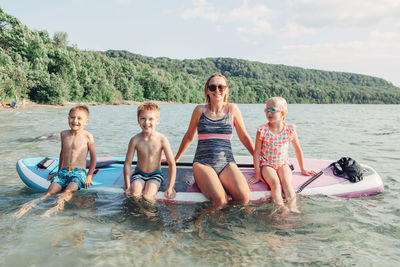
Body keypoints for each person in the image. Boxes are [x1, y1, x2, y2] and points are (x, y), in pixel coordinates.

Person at [175, 74, 254, 209]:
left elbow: (244, 137)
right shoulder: (200, 110)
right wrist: (175, 159)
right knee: (220, 200)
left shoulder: (232, 109)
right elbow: (189, 136)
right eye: (212, 87)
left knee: (244, 198)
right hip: (203, 163)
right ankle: (198, 224)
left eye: (221, 87)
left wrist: (259, 158)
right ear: (207, 90)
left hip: (227, 163)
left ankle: (227, 224)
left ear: (226, 90)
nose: (217, 90)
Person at [13, 105, 96, 218]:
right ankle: (26, 208)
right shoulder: (64, 134)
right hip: (63, 171)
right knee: (48, 193)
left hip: (79, 172)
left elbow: (94, 158)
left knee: (66, 193)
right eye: (72, 117)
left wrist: (89, 176)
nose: (75, 121)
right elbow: (62, 153)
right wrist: (58, 171)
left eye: (79, 118)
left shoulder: (88, 136)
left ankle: (52, 211)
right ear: (68, 119)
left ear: (86, 121)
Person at [249, 97, 316, 213]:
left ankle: (293, 208)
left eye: (272, 110)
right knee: (275, 183)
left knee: (287, 183)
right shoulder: (262, 130)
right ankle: (281, 208)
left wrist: (303, 168)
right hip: (267, 164)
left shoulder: (290, 130)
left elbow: (298, 149)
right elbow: (256, 153)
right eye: (266, 110)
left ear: (283, 113)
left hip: (283, 163)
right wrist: (257, 173)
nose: (268, 113)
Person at [124, 102, 176, 203]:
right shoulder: (135, 140)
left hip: (155, 174)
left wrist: (170, 187)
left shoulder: (162, 140)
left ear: (157, 120)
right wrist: (128, 186)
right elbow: (127, 164)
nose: (146, 122)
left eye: (151, 119)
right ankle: (137, 217)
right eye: (143, 118)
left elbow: (172, 164)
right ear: (138, 120)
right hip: (139, 174)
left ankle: (151, 217)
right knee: (135, 195)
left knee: (148, 196)